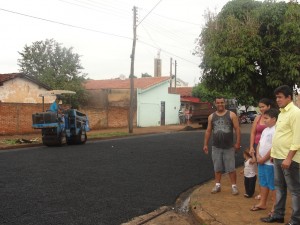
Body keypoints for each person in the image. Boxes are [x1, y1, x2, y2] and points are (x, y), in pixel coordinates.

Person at [260, 85, 300, 224]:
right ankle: (278, 215)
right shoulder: (281, 112)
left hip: (289, 159)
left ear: (289, 97)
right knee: (279, 188)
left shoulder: (295, 113)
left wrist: (289, 158)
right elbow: (280, 135)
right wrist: (274, 153)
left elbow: (297, 138)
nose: (277, 99)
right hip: (277, 157)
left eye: (280, 97)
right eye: (276, 97)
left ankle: (296, 220)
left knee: (295, 191)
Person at [203, 96, 241, 195]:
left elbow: (237, 129)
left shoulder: (231, 115)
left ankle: (234, 186)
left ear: (225, 103)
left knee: (231, 168)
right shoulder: (211, 116)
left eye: (222, 102)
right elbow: (208, 131)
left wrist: (237, 143)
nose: (220, 104)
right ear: (215, 104)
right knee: (217, 167)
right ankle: (217, 185)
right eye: (218, 103)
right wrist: (205, 144)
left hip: (229, 147)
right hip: (216, 147)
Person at [250, 108, 279, 216]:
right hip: (261, 161)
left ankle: (275, 207)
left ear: (274, 119)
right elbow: (260, 144)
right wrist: (258, 155)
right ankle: (262, 203)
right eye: (263, 118)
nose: (264, 120)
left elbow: (274, 147)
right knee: (263, 182)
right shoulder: (266, 130)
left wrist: (263, 158)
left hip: (269, 163)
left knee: (273, 185)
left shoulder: (276, 130)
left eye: (266, 118)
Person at [249, 98, 276, 200]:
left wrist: (263, 157)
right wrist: (252, 147)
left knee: (270, 176)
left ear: (269, 106)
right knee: (261, 175)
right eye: (259, 107)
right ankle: (262, 195)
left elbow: (275, 144)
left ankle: (273, 202)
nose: (261, 109)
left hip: (269, 152)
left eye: (263, 106)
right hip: (258, 147)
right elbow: (253, 133)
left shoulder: (274, 124)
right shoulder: (257, 118)